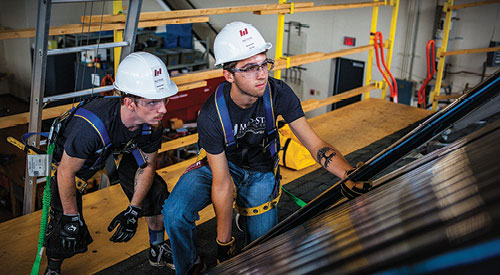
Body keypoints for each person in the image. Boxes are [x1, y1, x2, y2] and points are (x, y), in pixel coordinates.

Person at [162, 21, 372, 274]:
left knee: (264, 249)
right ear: (228, 75)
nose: (262, 74)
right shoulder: (211, 115)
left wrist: (349, 174)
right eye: (250, 68)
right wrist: (223, 243)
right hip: (221, 167)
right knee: (174, 212)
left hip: (260, 170)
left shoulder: (279, 94)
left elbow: (315, 144)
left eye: (263, 64)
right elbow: (221, 183)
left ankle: (249, 222)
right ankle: (189, 265)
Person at [43, 52, 178, 274]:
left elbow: (147, 166)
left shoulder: (153, 124)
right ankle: (53, 268)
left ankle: (157, 248)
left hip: (118, 148)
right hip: (73, 163)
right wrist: (71, 217)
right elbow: (66, 172)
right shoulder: (88, 129)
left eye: (165, 99)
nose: (163, 109)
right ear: (129, 103)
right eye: (152, 102)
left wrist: (134, 209)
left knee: (155, 190)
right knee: (64, 226)